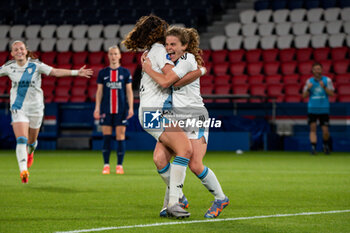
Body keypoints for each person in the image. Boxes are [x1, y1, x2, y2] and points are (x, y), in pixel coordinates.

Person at [142, 26, 229, 218]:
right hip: (174, 117)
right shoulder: (170, 62)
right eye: (166, 44)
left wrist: (148, 68)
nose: (168, 48)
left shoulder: (188, 59)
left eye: (173, 44)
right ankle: (178, 197)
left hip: (194, 116)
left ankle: (220, 198)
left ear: (185, 46)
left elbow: (172, 82)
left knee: (195, 165)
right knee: (159, 159)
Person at [122, 15, 204, 218]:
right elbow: (170, 80)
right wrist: (200, 70)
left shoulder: (150, 51)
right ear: (158, 32)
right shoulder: (159, 51)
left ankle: (170, 200)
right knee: (184, 150)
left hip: (148, 111)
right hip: (158, 111)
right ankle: (177, 201)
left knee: (161, 158)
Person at [0, 40, 93, 183]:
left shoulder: (36, 65)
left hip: (36, 108)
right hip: (18, 107)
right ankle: (23, 170)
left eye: (21, 49)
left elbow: (55, 72)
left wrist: (76, 72)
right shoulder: (8, 67)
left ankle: (30, 153)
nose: (19, 51)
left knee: (31, 142)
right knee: (21, 139)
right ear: (12, 54)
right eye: (16, 49)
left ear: (26, 51)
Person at [93, 45, 134, 175]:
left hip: (121, 109)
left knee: (120, 137)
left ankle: (119, 165)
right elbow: (99, 92)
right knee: (106, 137)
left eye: (116, 53)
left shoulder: (125, 72)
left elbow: (129, 91)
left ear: (120, 55)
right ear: (108, 56)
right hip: (106, 109)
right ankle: (106, 165)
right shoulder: (103, 73)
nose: (113, 56)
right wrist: (97, 108)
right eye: (111, 54)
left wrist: (131, 108)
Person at [302, 62, 334, 155]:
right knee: (313, 129)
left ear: (321, 70)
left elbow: (332, 94)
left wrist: (324, 87)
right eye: (315, 69)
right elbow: (304, 96)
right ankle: (313, 148)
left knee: (325, 130)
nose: (317, 70)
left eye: (319, 69)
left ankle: (325, 145)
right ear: (312, 70)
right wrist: (308, 89)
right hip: (312, 108)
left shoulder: (327, 80)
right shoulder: (309, 81)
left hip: (324, 108)